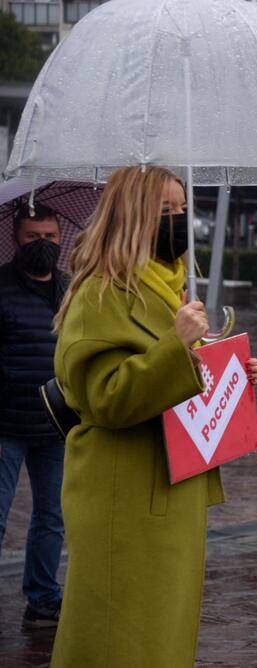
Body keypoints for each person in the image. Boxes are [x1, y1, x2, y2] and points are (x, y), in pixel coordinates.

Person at [49, 166, 257, 667]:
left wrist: (232, 370)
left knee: (160, 636)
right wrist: (177, 346)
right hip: (125, 497)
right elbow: (107, 398)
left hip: (170, 489)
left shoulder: (173, 289)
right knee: (118, 638)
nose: (178, 219)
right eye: (164, 210)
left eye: (181, 208)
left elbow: (179, 383)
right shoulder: (101, 294)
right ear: (132, 216)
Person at [0, 202, 67, 629]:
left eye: (51, 237)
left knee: (52, 517)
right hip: (4, 424)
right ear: (15, 240)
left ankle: (43, 598)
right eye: (32, 237)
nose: (42, 245)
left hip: (56, 425)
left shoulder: (70, 288)